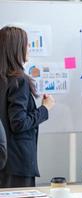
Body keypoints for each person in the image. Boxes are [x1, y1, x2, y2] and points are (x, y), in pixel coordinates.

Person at [0, 26, 55, 187]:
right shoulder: (19, 80)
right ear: (16, 48)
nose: (29, 48)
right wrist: (45, 108)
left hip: (4, 160)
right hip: (17, 163)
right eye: (26, 44)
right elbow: (19, 123)